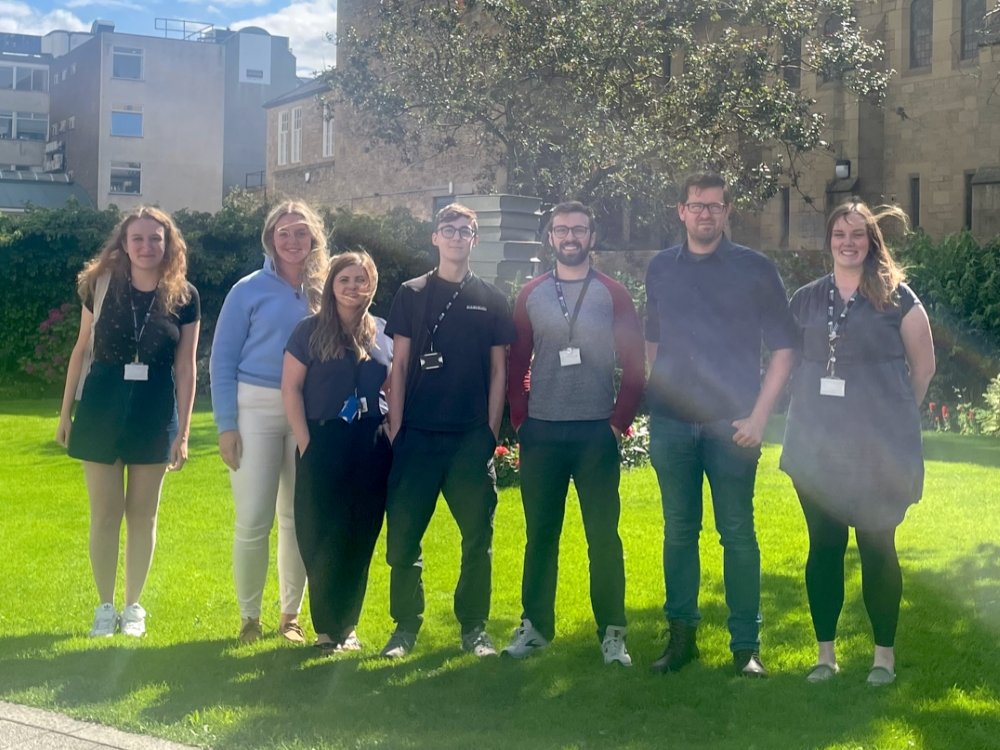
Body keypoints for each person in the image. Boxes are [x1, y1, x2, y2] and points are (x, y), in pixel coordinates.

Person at [644, 172, 798, 677]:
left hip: (733, 424)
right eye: (696, 205)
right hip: (671, 424)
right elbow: (652, 336)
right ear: (681, 211)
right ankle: (681, 639)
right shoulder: (661, 267)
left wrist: (760, 415)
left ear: (727, 212)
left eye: (714, 206)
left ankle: (745, 646)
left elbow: (784, 348)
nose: (705, 213)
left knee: (737, 534)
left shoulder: (755, 268)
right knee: (679, 532)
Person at [780, 201, 935, 686]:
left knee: (877, 548)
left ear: (871, 242)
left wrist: (894, 415)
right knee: (823, 548)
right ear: (828, 240)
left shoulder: (898, 297)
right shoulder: (806, 298)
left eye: (858, 235)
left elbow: (923, 365)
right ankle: (825, 656)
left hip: (875, 452)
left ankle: (882, 658)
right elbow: (788, 361)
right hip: (817, 447)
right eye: (839, 234)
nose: (848, 243)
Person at [504, 201, 644, 665]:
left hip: (594, 434)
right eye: (561, 230)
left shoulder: (612, 293)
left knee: (603, 537)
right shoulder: (531, 293)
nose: (570, 237)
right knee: (540, 535)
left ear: (591, 236)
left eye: (578, 230)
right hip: (542, 431)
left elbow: (636, 364)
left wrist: (617, 424)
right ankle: (536, 628)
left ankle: (612, 633)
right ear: (550, 238)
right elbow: (516, 361)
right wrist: (522, 418)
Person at [379, 203, 516, 659]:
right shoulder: (411, 293)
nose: (457, 236)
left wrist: (489, 431)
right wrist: (398, 429)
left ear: (474, 240)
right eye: (449, 229)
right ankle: (404, 628)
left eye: (466, 230)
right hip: (417, 435)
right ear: (435, 237)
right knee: (403, 537)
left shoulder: (492, 299)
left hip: (468, 439)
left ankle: (474, 628)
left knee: (478, 538)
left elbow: (500, 372)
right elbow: (398, 365)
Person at [56, 206, 200, 637]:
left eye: (155, 239)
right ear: (124, 243)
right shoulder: (100, 285)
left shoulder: (184, 295)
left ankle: (133, 607)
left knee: (143, 515)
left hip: (155, 408)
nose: (146, 247)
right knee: (104, 514)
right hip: (101, 403)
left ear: (168, 243)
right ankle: (104, 605)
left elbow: (187, 367)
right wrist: (65, 414)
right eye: (137, 238)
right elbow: (81, 350)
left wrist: (186, 431)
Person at [210, 201, 328, 644]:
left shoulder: (324, 288)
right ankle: (249, 618)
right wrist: (226, 425)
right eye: (284, 233)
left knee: (297, 517)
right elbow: (221, 360)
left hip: (306, 409)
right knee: (253, 519)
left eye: (301, 232)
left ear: (313, 236)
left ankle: (289, 616)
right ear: (270, 239)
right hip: (253, 408)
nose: (293, 240)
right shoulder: (247, 290)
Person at [281, 251, 393, 654]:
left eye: (361, 280)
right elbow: (290, 389)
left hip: (370, 444)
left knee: (359, 536)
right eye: (345, 279)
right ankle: (325, 629)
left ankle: (348, 627)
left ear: (371, 285)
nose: (352, 287)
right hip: (322, 441)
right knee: (319, 534)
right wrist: (306, 442)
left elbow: (390, 389)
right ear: (331, 284)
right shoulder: (308, 331)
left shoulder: (381, 332)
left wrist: (392, 438)